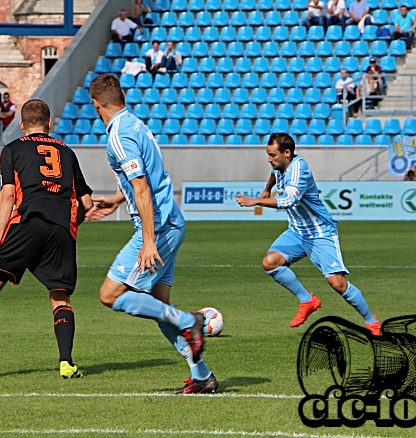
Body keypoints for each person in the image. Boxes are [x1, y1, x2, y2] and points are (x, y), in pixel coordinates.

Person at [85, 74, 214, 394]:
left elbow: (142, 186)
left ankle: (190, 321)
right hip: (173, 223)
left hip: (159, 228)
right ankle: (202, 377)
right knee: (158, 305)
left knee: (109, 294)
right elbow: (144, 176)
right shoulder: (137, 125)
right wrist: (117, 199)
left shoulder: (117, 135)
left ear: (95, 104)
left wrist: (148, 240)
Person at [0, 100, 94, 379]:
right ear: (49, 124)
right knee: (60, 295)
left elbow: (8, 194)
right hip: (61, 227)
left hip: (29, 221)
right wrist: (73, 225)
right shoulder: (68, 152)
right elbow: (87, 201)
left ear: (22, 125)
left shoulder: (13, 148)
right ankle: (66, 362)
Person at [235, 133, 381, 335]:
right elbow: (274, 174)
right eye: (268, 155)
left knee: (337, 284)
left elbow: (287, 201)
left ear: (287, 153)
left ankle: (371, 321)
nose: (269, 159)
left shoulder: (299, 170)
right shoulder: (281, 165)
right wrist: (267, 189)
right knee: (270, 262)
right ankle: (307, 301)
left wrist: (255, 201)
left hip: (320, 232)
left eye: (272, 155)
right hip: (296, 231)